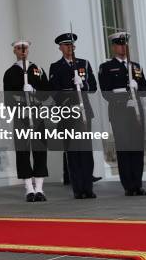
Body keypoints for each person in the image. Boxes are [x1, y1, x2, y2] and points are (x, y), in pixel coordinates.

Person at [98, 32, 146, 196]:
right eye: (120, 44)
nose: (123, 47)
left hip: (136, 112)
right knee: (124, 148)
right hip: (119, 112)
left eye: (125, 44)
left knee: (137, 148)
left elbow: (145, 91)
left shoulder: (135, 67)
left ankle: (138, 183)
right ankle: (128, 185)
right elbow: (106, 93)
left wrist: (137, 87)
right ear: (113, 47)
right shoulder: (106, 67)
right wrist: (125, 93)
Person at [49, 32, 98, 199]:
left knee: (85, 151)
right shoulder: (55, 67)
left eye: (71, 45)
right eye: (66, 45)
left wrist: (82, 83)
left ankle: (88, 188)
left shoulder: (84, 64)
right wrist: (70, 88)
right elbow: (54, 92)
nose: (70, 47)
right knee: (72, 151)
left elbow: (93, 87)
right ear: (60, 48)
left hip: (83, 111)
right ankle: (78, 189)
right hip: (67, 112)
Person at [4, 40, 50, 202]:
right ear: (14, 51)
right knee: (23, 151)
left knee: (40, 150)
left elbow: (46, 94)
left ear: (28, 50)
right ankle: (28, 189)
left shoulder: (37, 70)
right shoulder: (10, 73)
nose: (22, 51)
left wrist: (35, 91)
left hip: (37, 113)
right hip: (21, 114)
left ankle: (39, 188)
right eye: (18, 48)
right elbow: (8, 100)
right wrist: (20, 98)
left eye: (25, 48)